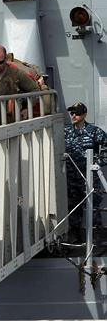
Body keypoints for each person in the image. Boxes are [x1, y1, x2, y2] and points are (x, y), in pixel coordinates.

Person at [64, 101, 107, 240]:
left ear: (84, 114)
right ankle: (75, 236)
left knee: (93, 207)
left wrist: (99, 163)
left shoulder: (94, 131)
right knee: (73, 207)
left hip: (89, 178)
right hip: (71, 178)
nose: (74, 115)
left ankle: (97, 237)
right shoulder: (66, 132)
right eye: (72, 113)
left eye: (77, 113)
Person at [0, 45, 40, 126]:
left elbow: (35, 90)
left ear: (5, 60)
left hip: (12, 123)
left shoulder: (16, 74)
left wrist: (27, 108)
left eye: (0, 62)